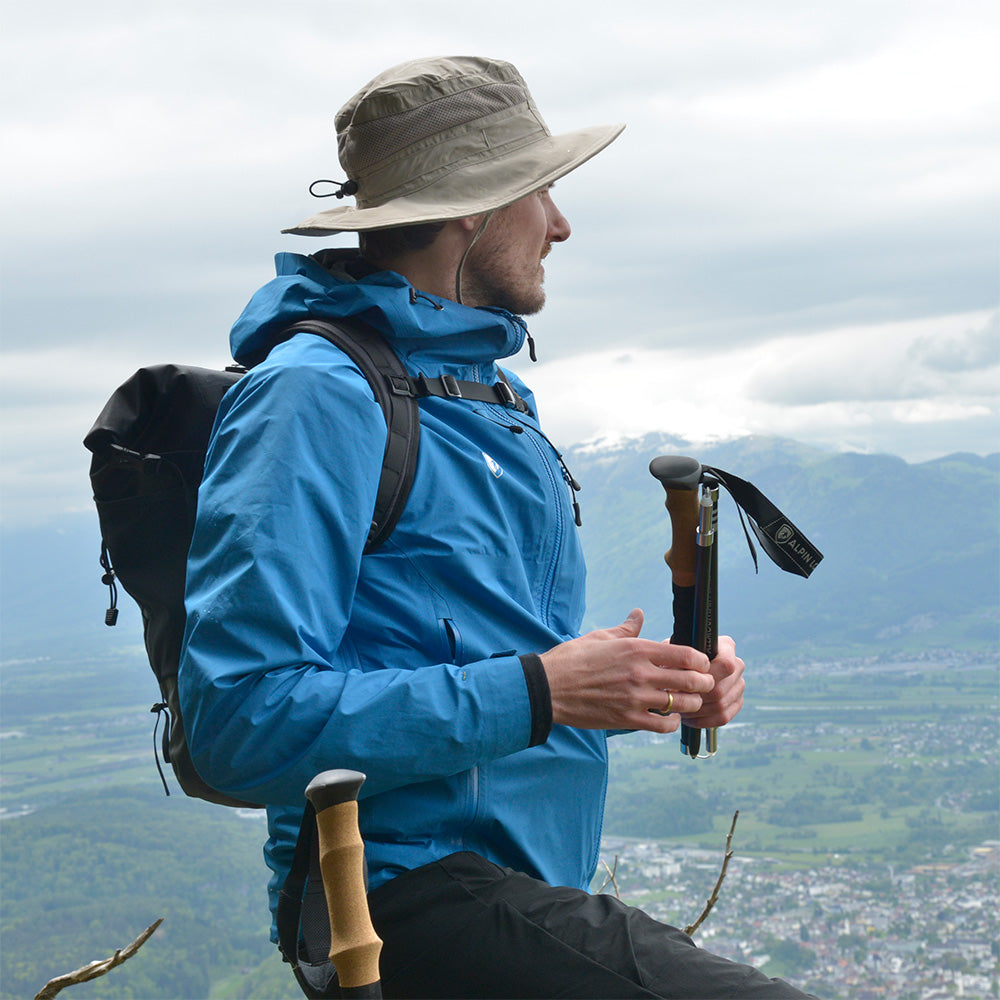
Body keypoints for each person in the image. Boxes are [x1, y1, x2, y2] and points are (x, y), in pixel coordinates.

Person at [178, 56, 818, 999]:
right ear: (473, 207)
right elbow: (238, 721)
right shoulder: (314, 398)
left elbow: (497, 664)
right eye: (543, 190)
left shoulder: (491, 398)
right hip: (399, 897)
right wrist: (544, 689)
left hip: (518, 886)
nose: (560, 223)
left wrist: (630, 684)